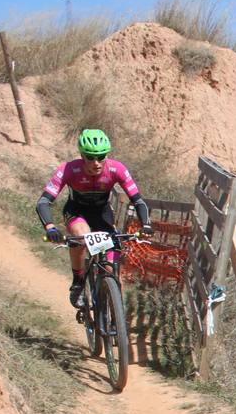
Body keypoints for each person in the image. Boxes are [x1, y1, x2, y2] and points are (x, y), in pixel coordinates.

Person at [35, 129, 152, 309]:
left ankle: (114, 321)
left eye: (101, 156)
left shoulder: (117, 169)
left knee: (113, 272)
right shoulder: (68, 170)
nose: (96, 163)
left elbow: (138, 200)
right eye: (90, 157)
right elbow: (44, 201)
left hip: (102, 214)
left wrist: (146, 224)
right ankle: (78, 281)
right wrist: (50, 227)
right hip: (77, 211)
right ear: (82, 155)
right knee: (81, 236)